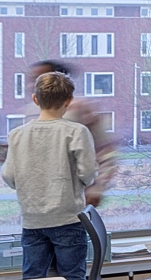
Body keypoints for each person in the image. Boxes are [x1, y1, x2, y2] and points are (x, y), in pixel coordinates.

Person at [0, 69, 100, 280]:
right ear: (68, 101)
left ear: (35, 99)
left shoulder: (17, 135)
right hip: (68, 218)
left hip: (32, 220)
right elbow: (88, 173)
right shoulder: (75, 132)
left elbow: (9, 175)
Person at [30, 58, 115, 205]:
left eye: (41, 78)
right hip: (39, 201)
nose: (32, 84)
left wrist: (97, 187)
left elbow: (105, 151)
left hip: (75, 197)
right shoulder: (29, 113)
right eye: (33, 79)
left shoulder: (82, 111)